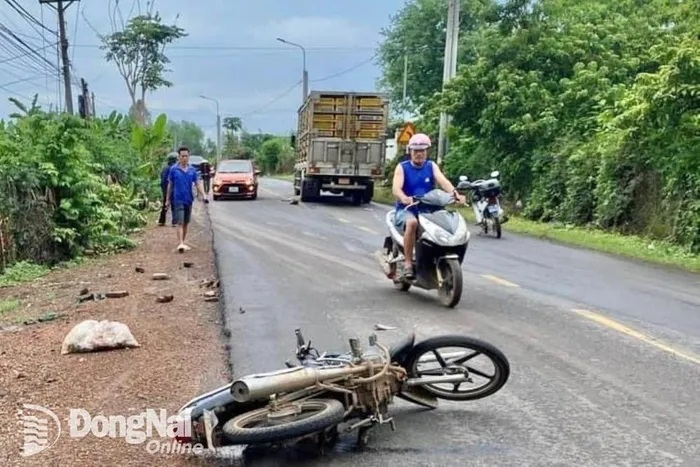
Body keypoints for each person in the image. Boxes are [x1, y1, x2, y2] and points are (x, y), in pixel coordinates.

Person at [392, 133, 466, 279]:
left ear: (427, 152)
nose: (419, 154)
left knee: (447, 221)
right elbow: (396, 188)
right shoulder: (402, 167)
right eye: (415, 151)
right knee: (412, 223)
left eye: (422, 151)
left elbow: (443, 182)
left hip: (429, 209)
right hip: (408, 209)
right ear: (410, 152)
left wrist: (455, 194)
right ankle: (408, 263)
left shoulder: (431, 166)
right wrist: (403, 197)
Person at [165, 146, 208, 253]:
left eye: (186, 156)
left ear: (188, 157)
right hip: (178, 199)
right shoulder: (174, 169)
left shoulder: (192, 170)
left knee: (185, 223)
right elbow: (170, 185)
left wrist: (204, 195)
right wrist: (167, 199)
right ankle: (180, 243)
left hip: (188, 199)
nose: (184, 158)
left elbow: (198, 183)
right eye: (182, 156)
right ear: (179, 157)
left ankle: (182, 242)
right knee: (180, 221)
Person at [158, 153, 178, 226]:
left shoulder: (165, 168)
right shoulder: (174, 169)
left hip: (164, 188)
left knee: (165, 204)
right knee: (174, 204)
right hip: (171, 188)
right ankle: (174, 221)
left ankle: (162, 220)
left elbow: (162, 178)